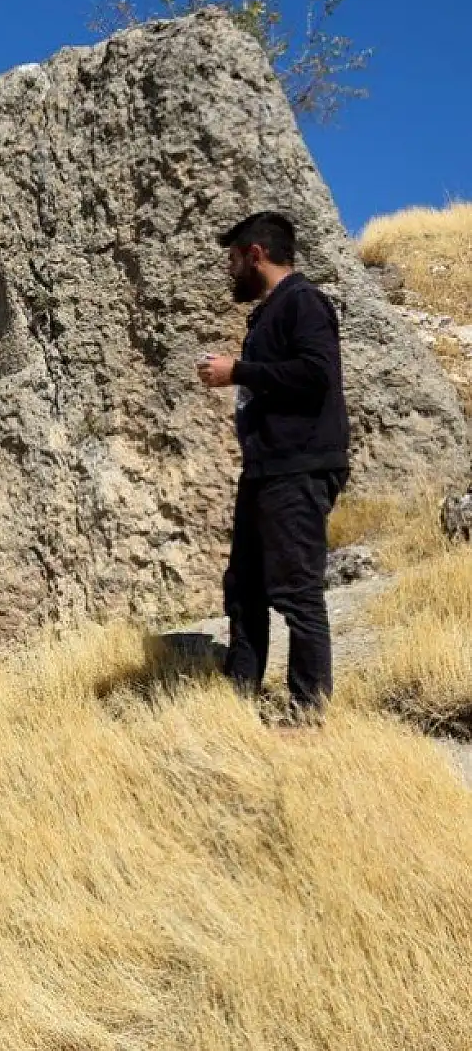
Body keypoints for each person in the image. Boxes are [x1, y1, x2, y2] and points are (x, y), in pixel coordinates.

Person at [197, 211, 350, 723]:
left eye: (234, 260)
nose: (230, 271)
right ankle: (239, 697)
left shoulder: (303, 303)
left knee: (296, 591)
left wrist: (238, 371)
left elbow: (316, 374)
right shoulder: (268, 313)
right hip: (266, 471)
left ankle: (308, 714)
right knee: (244, 586)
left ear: (256, 255)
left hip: (298, 468)